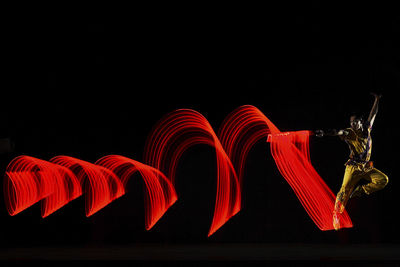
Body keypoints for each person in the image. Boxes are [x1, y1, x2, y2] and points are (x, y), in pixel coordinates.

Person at [315, 93, 389, 230]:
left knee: (383, 180)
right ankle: (336, 215)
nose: (353, 124)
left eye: (355, 122)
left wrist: (377, 100)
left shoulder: (367, 129)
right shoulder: (350, 132)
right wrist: (325, 133)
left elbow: (373, 114)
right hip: (353, 168)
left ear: (361, 122)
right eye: (351, 123)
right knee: (344, 191)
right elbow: (338, 132)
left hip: (366, 167)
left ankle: (360, 190)